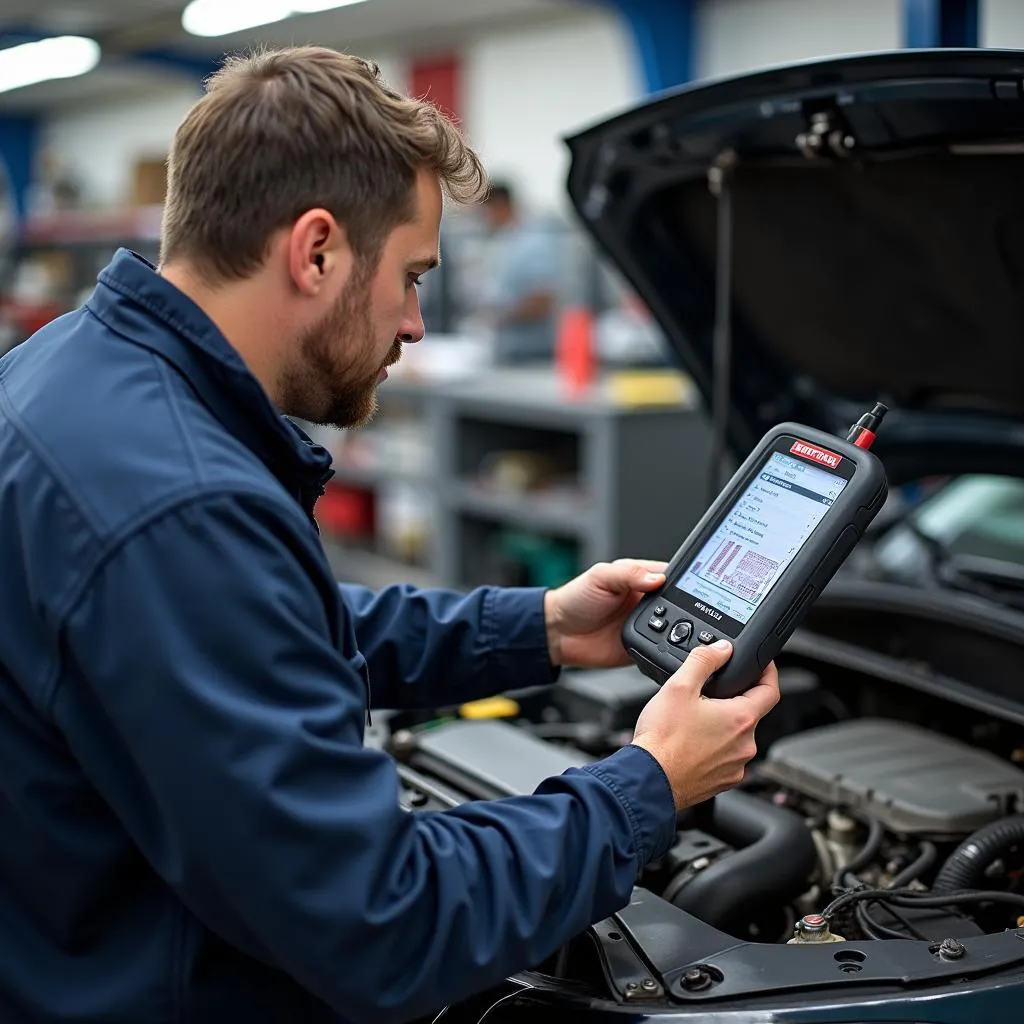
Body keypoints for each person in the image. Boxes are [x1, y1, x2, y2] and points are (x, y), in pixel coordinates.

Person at [0, 47, 780, 1024]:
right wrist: (648, 785)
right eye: (411, 275)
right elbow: (383, 922)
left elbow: (268, 631)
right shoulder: (181, 504)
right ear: (316, 249)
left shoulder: (71, 371)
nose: (414, 322)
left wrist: (535, 625)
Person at [474, 180, 563, 363]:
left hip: (532, 353)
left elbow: (543, 300)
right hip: (509, 350)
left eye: (485, 211)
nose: (484, 219)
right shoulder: (506, 242)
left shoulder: (532, 243)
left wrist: (499, 317)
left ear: (500, 206)